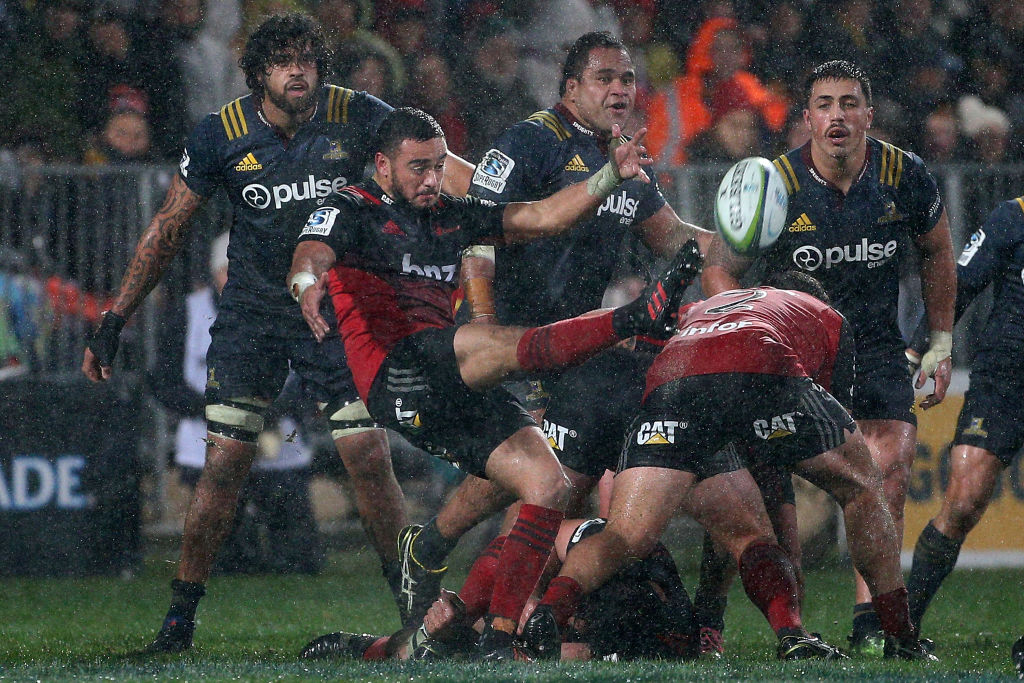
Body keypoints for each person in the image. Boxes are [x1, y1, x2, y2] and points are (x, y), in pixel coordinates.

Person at [81, 13, 475, 653]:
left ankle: (419, 617)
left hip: (337, 311)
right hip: (254, 316)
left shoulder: (360, 114)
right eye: (284, 61)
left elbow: (445, 170)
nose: (299, 72)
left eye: (309, 60)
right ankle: (178, 624)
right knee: (225, 464)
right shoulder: (222, 134)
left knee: (368, 458)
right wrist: (113, 318)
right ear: (259, 71)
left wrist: (515, 212)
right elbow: (169, 226)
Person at [287, 105, 702, 658]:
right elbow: (311, 252)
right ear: (382, 166)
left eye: (438, 166)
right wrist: (307, 282)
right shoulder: (351, 208)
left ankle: (496, 639)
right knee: (489, 341)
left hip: (451, 377)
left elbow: (542, 217)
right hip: (397, 373)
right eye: (418, 168)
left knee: (548, 484)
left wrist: (607, 175)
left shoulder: (453, 214)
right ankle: (633, 318)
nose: (432, 180)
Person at [385, 30, 714, 632]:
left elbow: (677, 241)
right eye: (604, 78)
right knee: (544, 473)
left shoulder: (626, 162)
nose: (620, 88)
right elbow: (477, 234)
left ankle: (483, 598)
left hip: (570, 347)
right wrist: (486, 330)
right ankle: (483, 607)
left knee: (555, 480)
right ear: (570, 88)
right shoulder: (532, 141)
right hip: (506, 337)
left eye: (627, 78)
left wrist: (751, 239)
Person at [521, 282, 936, 662]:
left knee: (625, 534)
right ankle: (896, 634)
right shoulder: (825, 315)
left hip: (671, 383)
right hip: (759, 364)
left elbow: (638, 341)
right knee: (860, 487)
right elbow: (831, 417)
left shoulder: (700, 307)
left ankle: (549, 613)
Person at [699, 59, 957, 655]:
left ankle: (874, 622)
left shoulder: (904, 174)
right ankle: (710, 616)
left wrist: (939, 340)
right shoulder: (777, 183)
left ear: (869, 114)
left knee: (885, 472)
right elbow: (718, 267)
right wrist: (747, 325)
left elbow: (938, 251)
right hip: (794, 357)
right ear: (807, 117)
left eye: (849, 103)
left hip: (873, 349)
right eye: (824, 103)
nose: (837, 115)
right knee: (756, 500)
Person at [149, 232, 323, 575]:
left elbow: (309, 372)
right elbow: (162, 381)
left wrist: (277, 408)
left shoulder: (287, 312)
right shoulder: (188, 313)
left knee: (298, 553)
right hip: (207, 435)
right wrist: (212, 411)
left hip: (277, 434)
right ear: (216, 274)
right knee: (221, 545)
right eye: (232, 270)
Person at [300, 518, 699, 662]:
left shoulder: (658, 638)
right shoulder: (612, 545)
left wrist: (514, 636)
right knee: (463, 617)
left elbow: (562, 656)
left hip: (605, 631)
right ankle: (394, 643)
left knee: (462, 644)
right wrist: (514, 601)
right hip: (547, 589)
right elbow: (518, 541)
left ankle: (375, 647)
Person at [904, 195, 1024, 636]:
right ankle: (904, 626)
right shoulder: (1014, 216)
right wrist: (922, 347)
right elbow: (961, 282)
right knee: (963, 500)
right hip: (1005, 377)